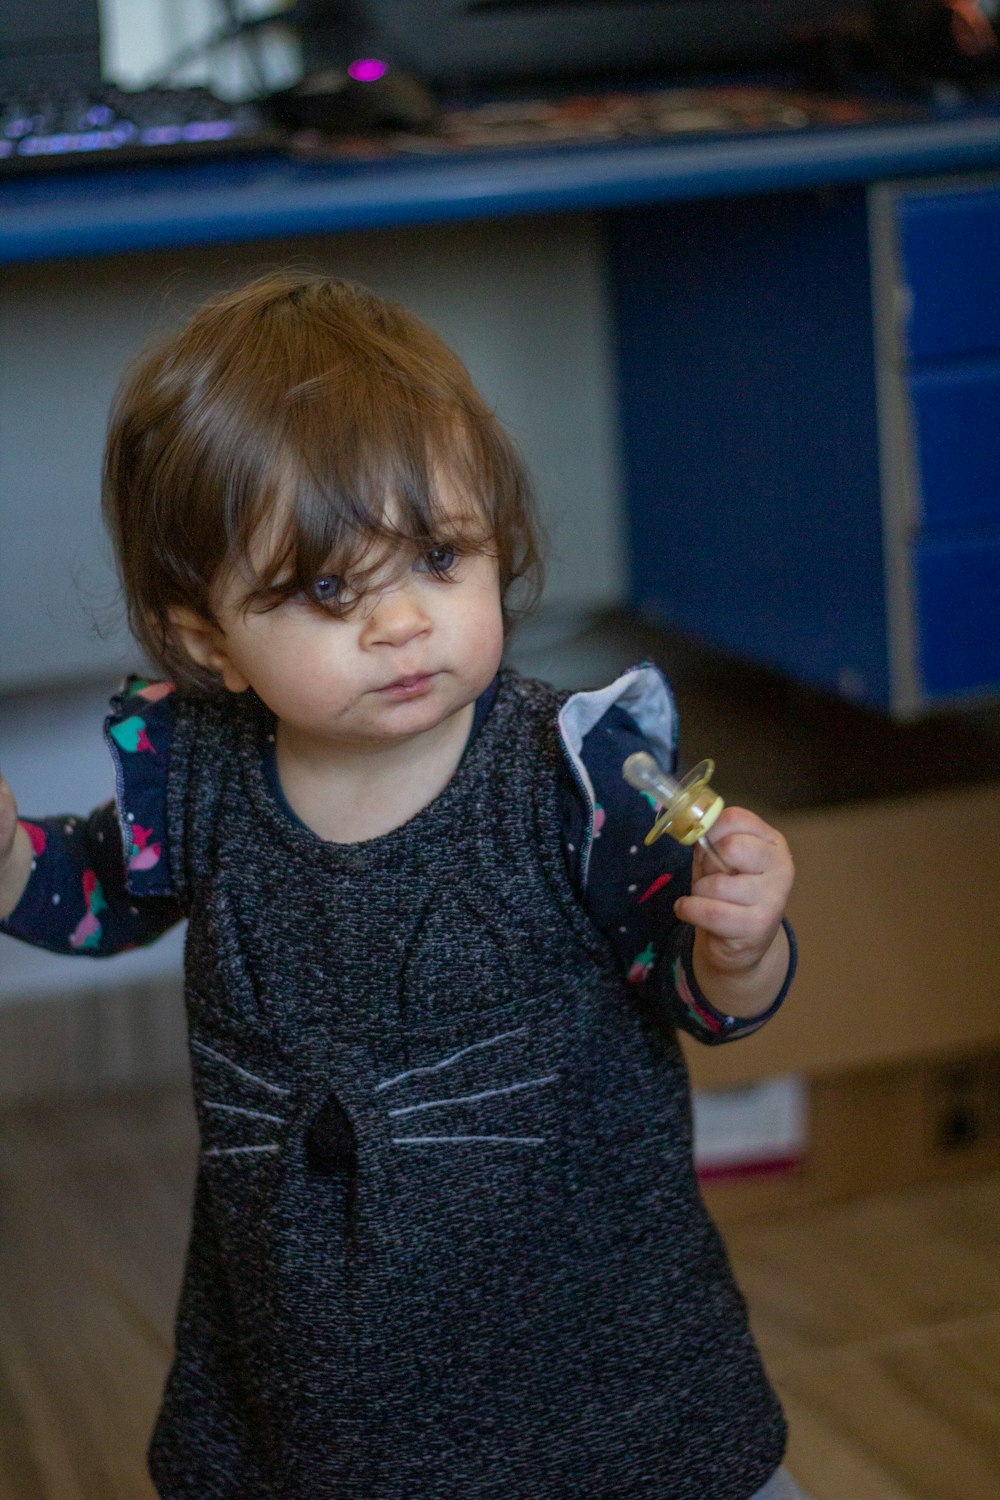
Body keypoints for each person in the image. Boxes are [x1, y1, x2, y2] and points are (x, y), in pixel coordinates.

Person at [0, 275, 805, 1500]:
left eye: (438, 556)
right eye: (328, 591)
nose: (401, 624)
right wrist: (14, 859)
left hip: (596, 1364)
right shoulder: (200, 772)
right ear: (207, 635)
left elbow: (689, 982)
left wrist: (740, 943)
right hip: (309, 1367)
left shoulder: (572, 774)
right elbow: (108, 890)